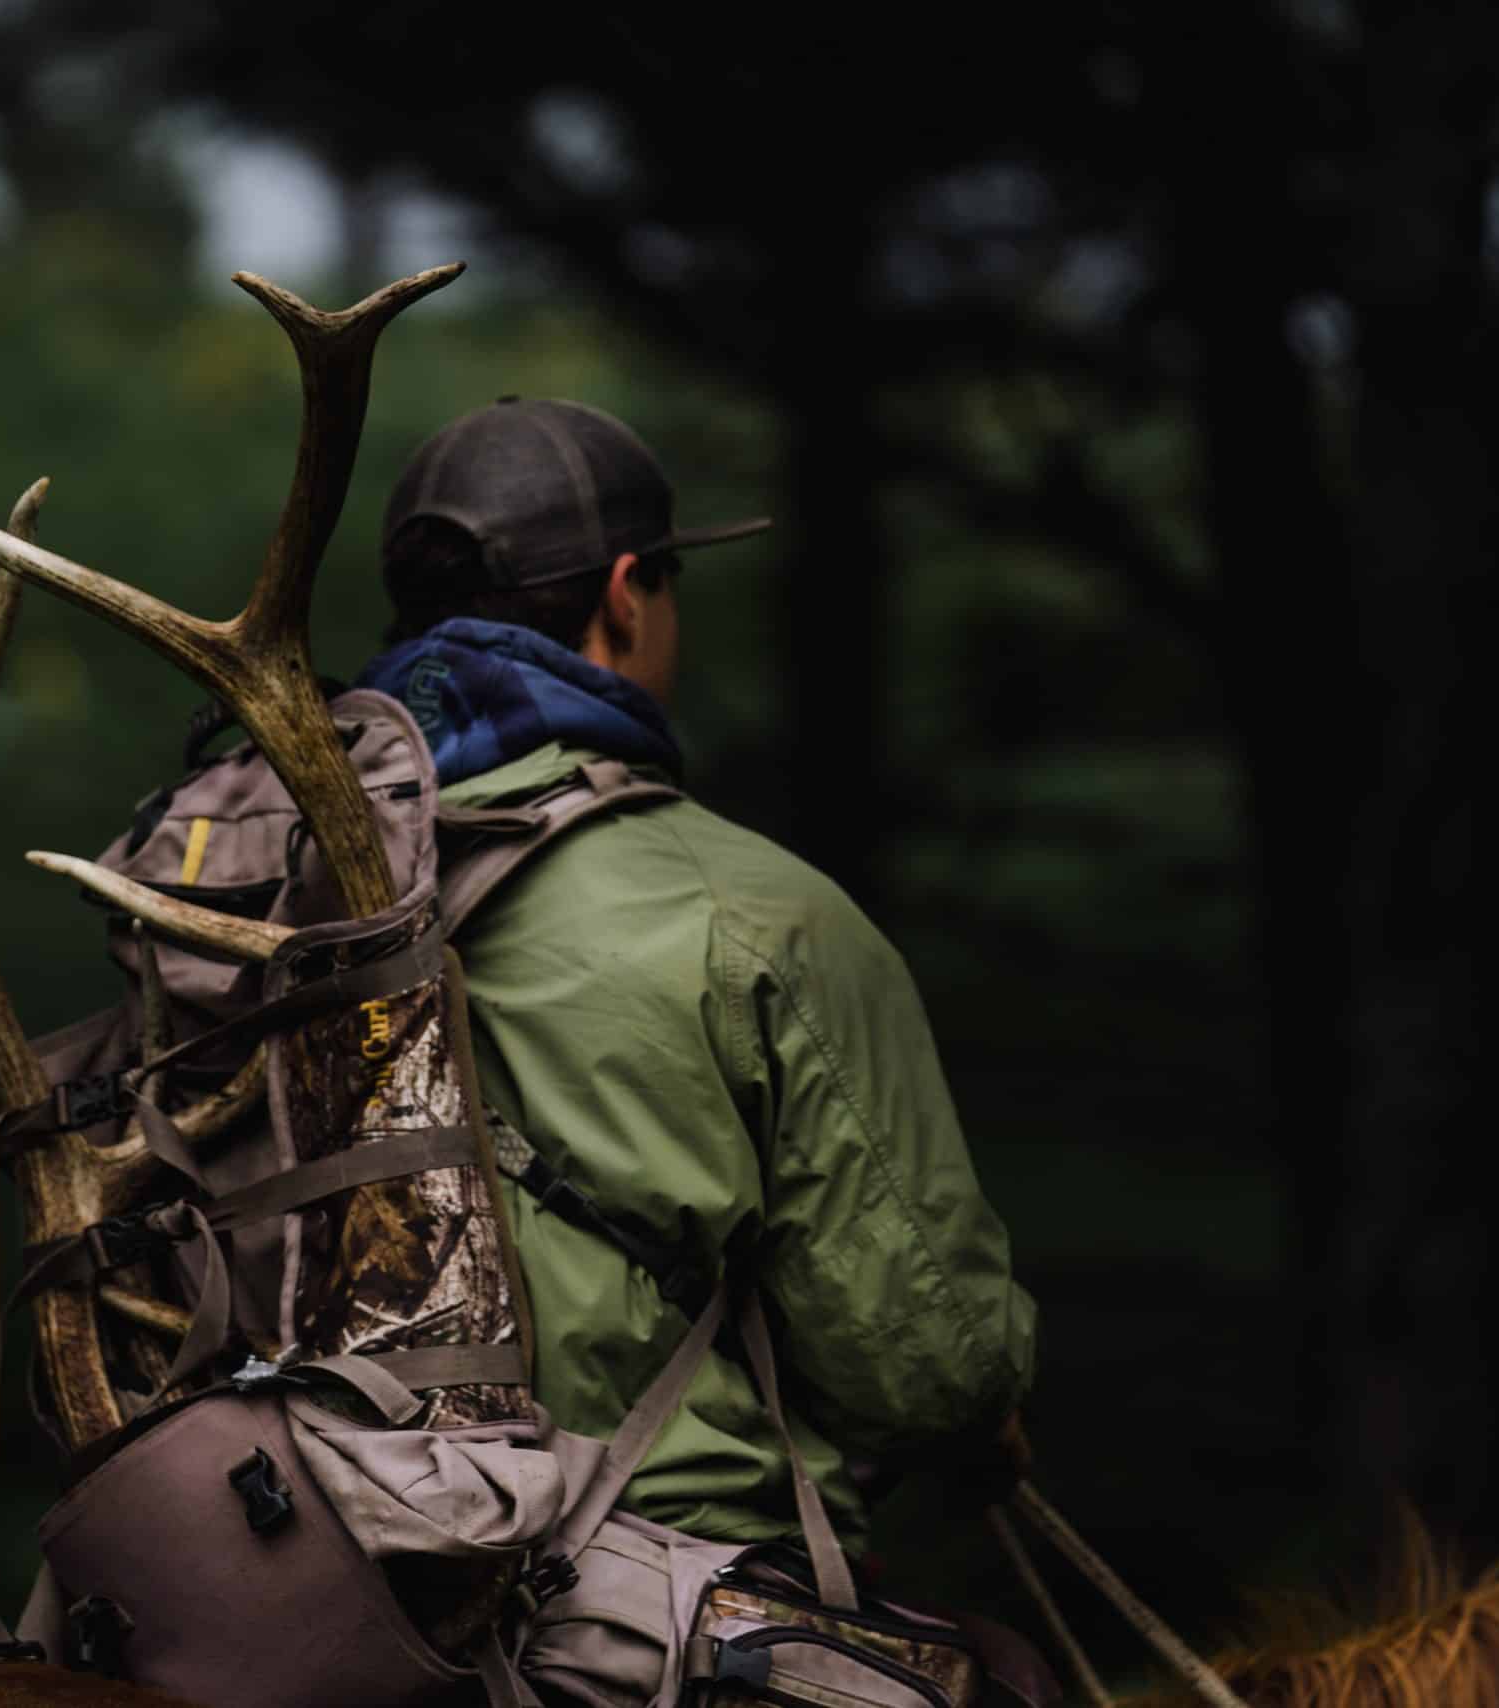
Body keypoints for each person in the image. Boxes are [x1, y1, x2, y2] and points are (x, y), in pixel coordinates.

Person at [353, 396, 1036, 1559]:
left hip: (270, 1552)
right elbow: (925, 1371)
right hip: (639, 1572)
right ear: (628, 591)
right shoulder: (755, 914)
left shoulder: (257, 870)